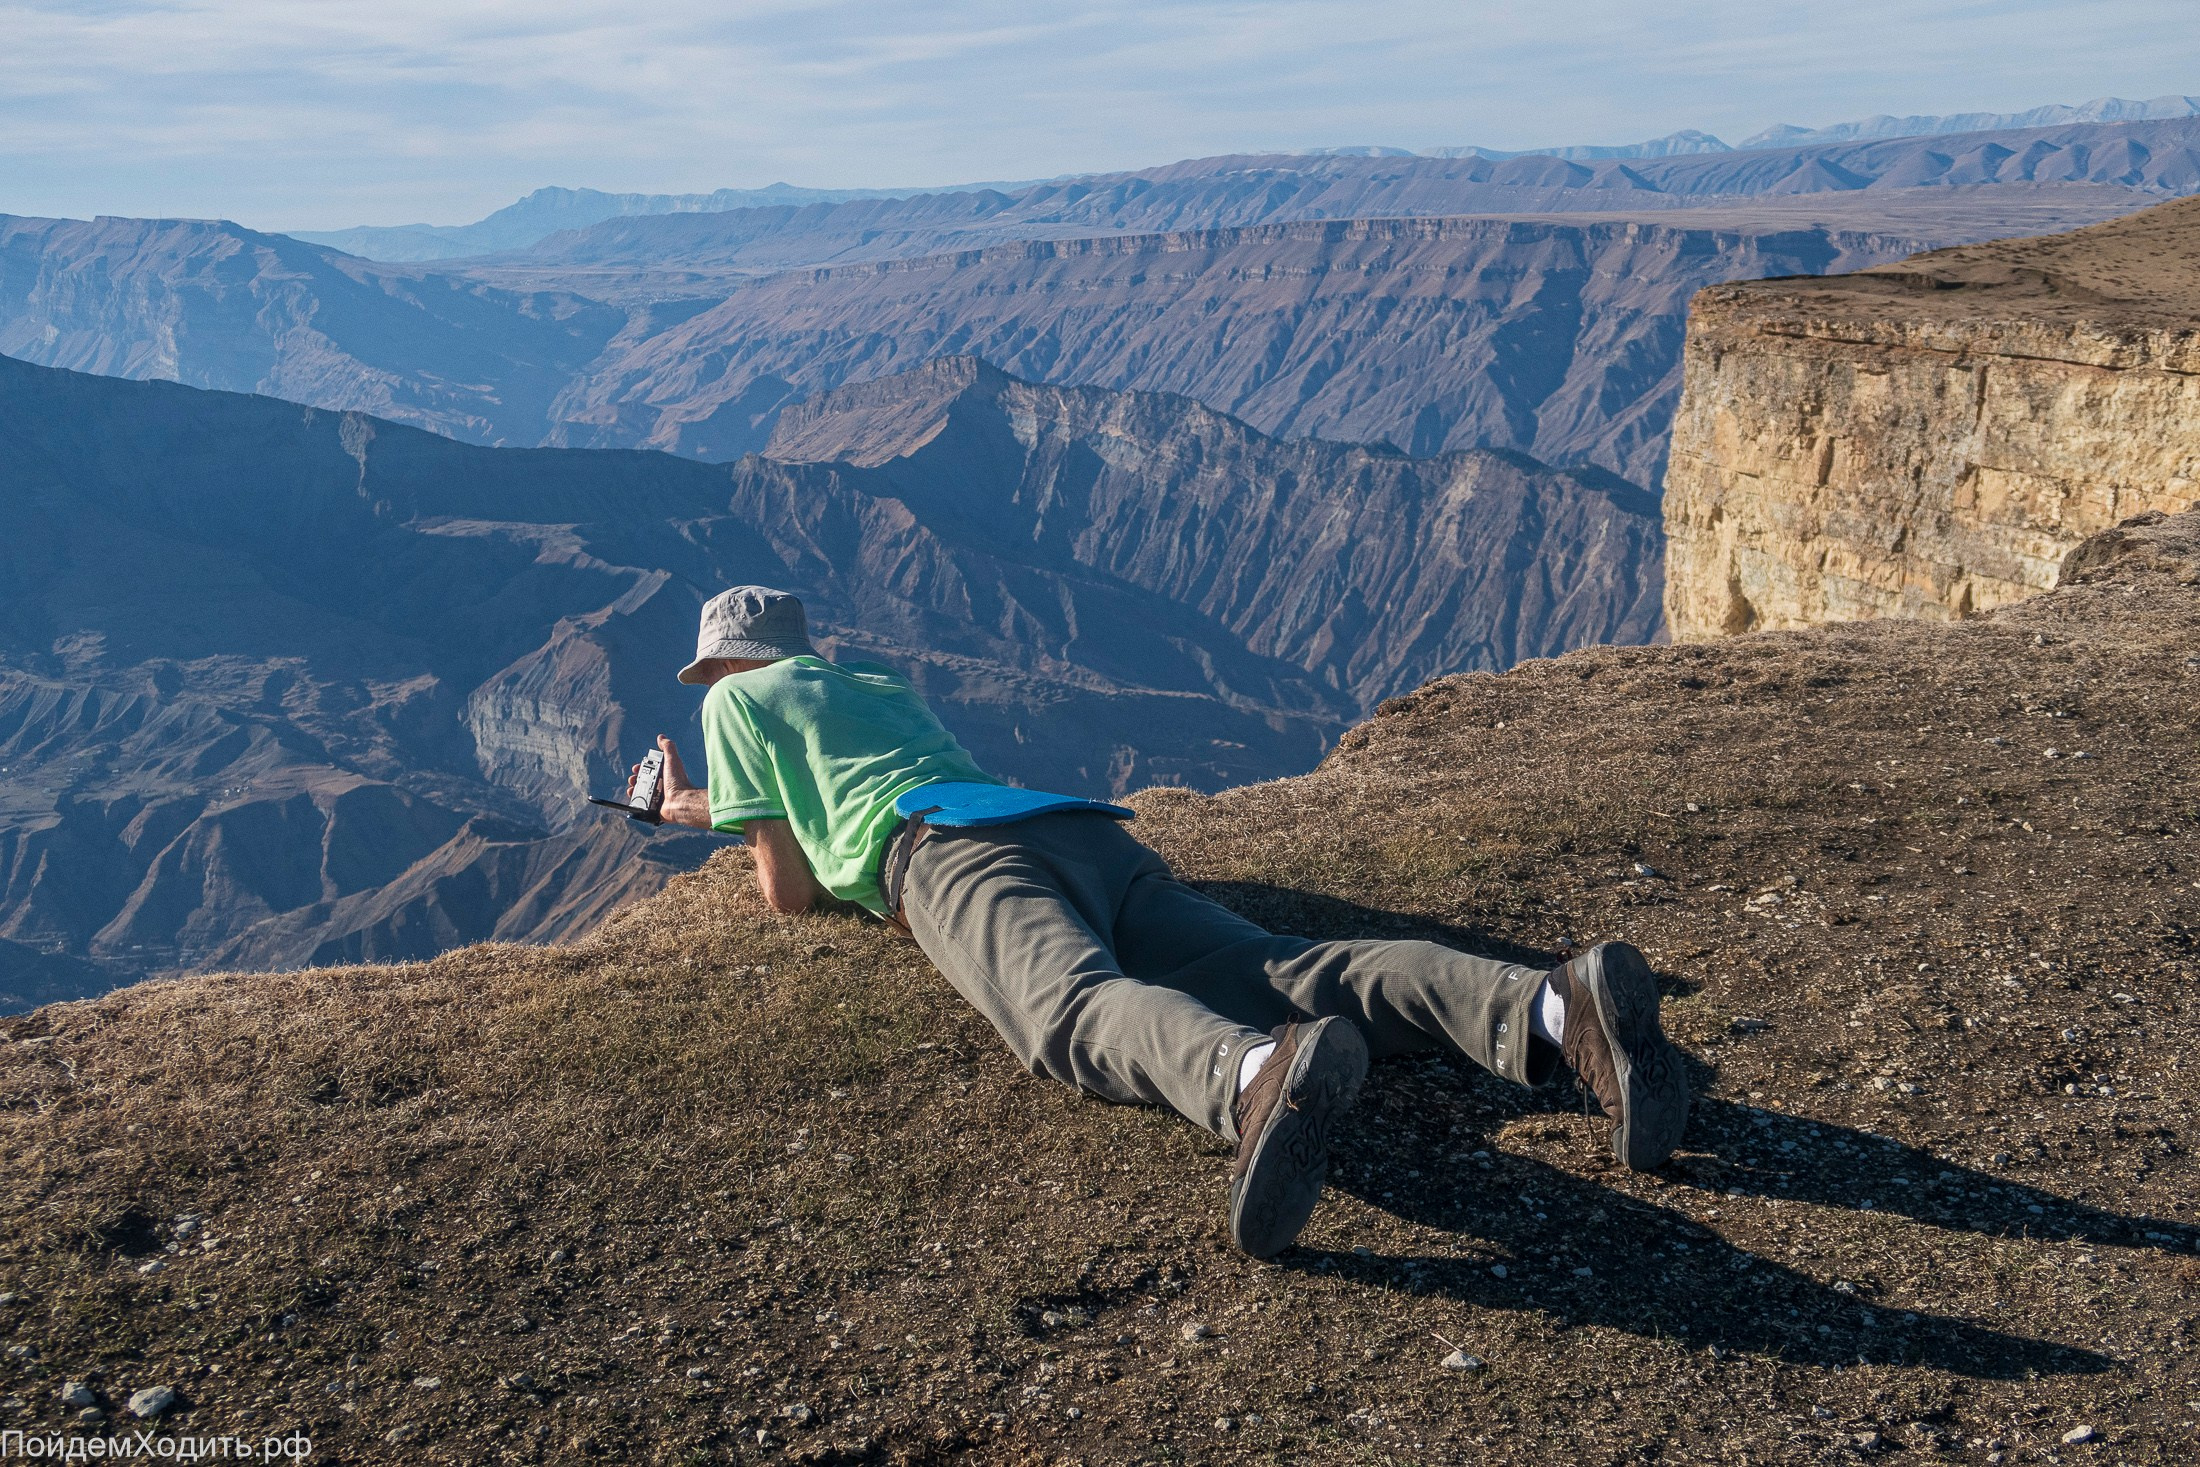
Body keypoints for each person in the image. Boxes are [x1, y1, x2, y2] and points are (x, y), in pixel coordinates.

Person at [634, 586, 1690, 1258]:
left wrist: (703, 814)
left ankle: (1248, 1081)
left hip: (947, 860)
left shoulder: (736, 702)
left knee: (1071, 1010)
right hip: (1070, 831)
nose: (711, 687)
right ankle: (1555, 1004)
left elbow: (788, 889)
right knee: (1286, 964)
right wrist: (691, 807)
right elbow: (849, 785)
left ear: (724, 663)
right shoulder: (873, 681)